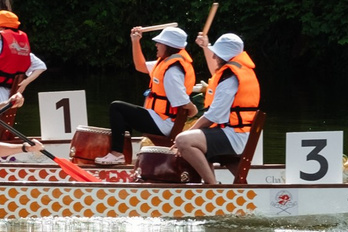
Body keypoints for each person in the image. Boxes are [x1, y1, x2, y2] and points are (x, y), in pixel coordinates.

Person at [170, 29, 261, 184]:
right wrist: (206, 46)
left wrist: (184, 136)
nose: (213, 56)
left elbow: (214, 116)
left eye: (216, 54)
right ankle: (212, 184)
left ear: (225, 57)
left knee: (183, 140)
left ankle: (212, 187)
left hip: (235, 137)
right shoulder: (234, 73)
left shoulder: (231, 79)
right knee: (195, 138)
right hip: (235, 133)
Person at [109, 23, 197, 158]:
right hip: (159, 118)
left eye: (159, 43)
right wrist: (135, 41)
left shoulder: (172, 70)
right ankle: (122, 156)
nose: (156, 45)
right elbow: (140, 66)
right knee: (123, 114)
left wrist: (193, 109)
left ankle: (117, 153)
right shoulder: (165, 63)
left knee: (117, 108)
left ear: (169, 46)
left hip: (164, 123)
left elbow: (182, 101)